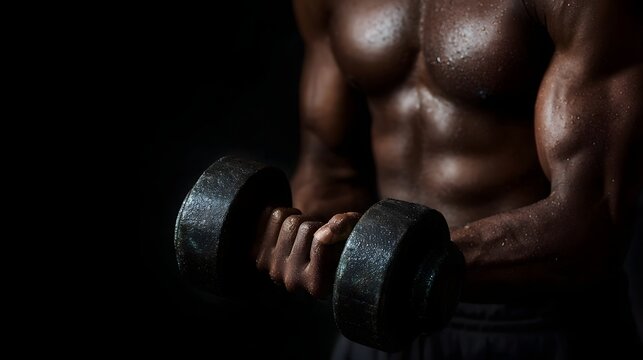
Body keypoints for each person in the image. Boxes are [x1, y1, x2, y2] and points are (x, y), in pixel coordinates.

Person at [254, 0, 643, 358]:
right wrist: (309, 238)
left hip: (536, 325)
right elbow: (329, 167)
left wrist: (401, 258)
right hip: (380, 320)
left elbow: (593, 221)